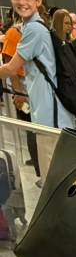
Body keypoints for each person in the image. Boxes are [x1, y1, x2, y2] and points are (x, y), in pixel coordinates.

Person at [0, 0, 76, 179]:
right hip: (53, 114)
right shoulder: (38, 26)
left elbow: (10, 69)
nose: (21, 2)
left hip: (48, 117)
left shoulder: (33, 29)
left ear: (38, 0)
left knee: (51, 178)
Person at [0, 11, 39, 178]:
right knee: (32, 128)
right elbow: (10, 64)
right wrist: (18, 91)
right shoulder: (13, 33)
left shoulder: (33, 30)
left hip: (34, 84)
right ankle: (39, 169)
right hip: (23, 86)